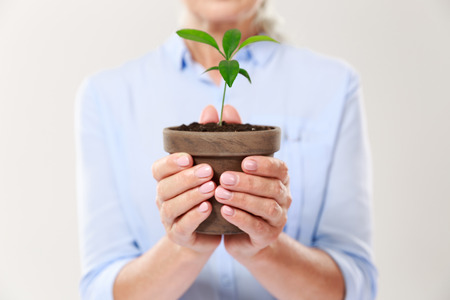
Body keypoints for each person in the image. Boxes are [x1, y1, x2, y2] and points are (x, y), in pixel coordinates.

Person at [75, 0, 377, 299]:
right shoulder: (107, 96)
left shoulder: (333, 84)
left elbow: (357, 287)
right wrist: (185, 246)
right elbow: (100, 291)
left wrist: (265, 248)